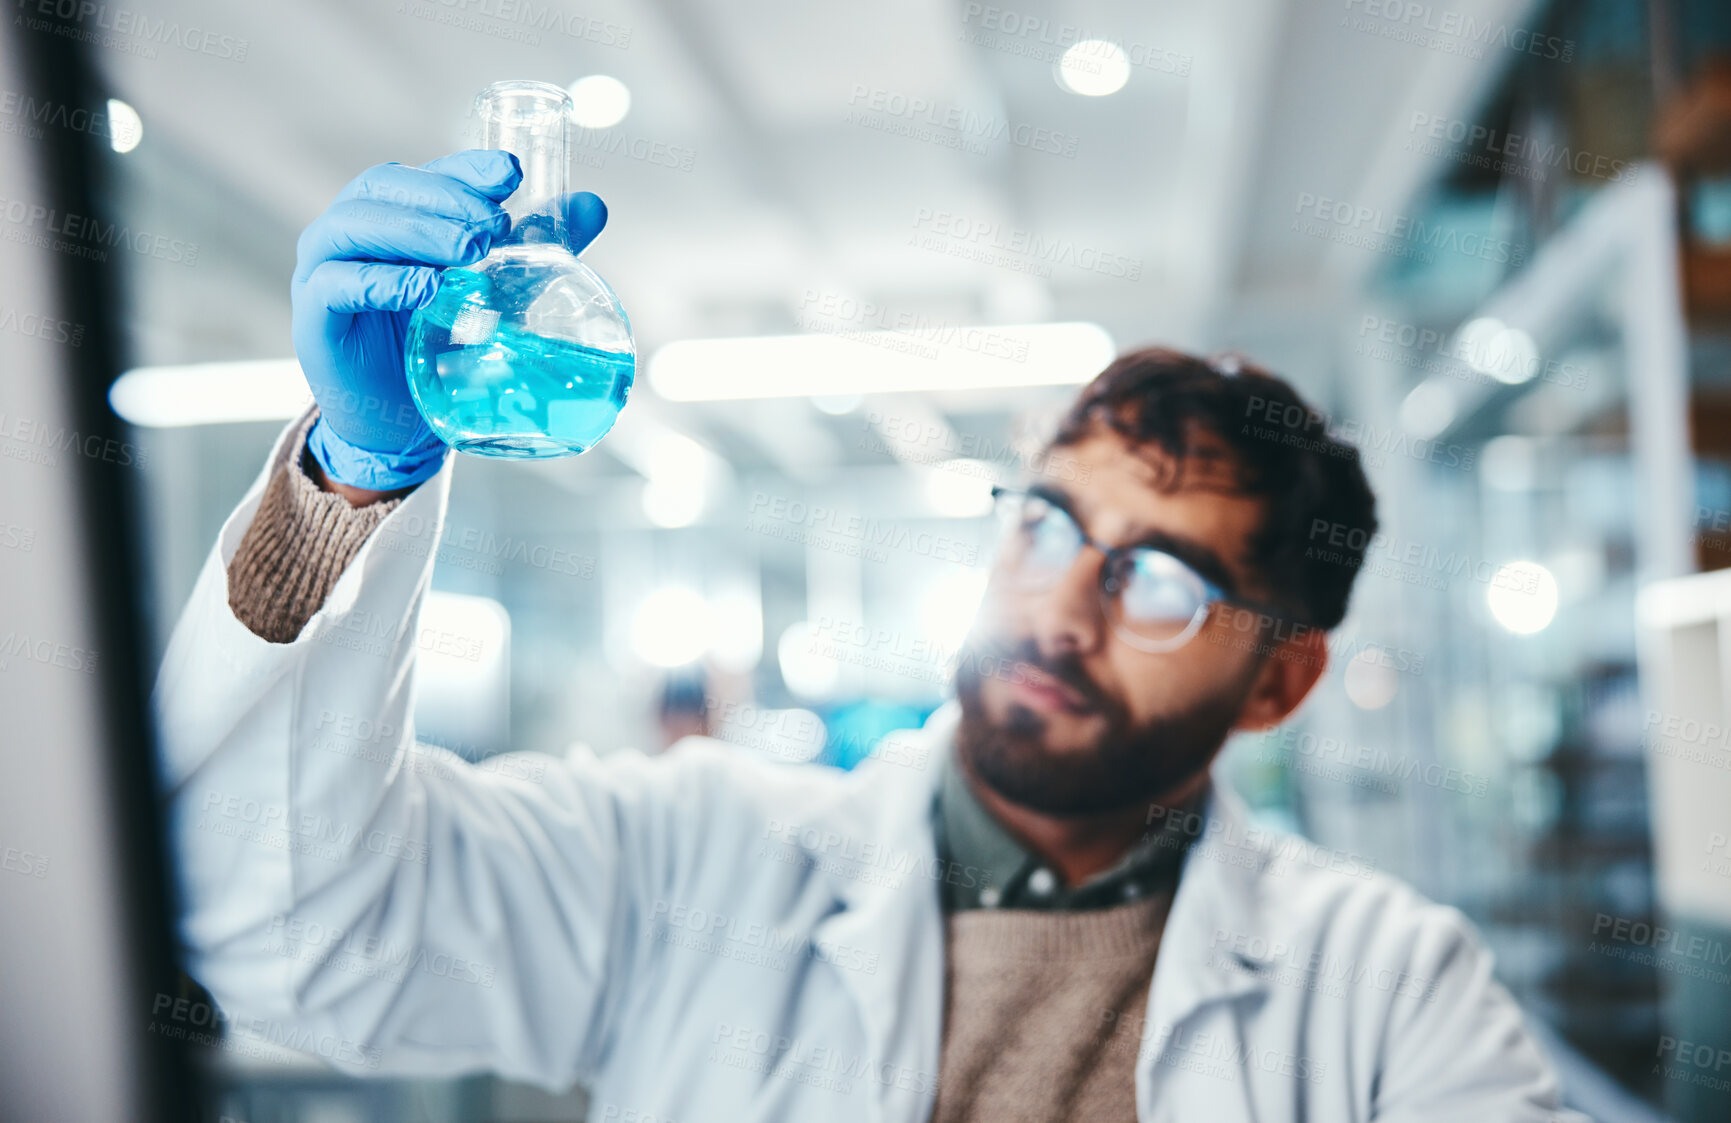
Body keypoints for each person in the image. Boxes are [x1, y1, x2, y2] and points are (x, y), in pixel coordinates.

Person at [155, 150, 1582, 1122]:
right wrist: (354, 479)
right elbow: (282, 930)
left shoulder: (1389, 983)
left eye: (1158, 582)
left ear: (1281, 678)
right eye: (1045, 527)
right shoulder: (689, 861)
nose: (1061, 610)